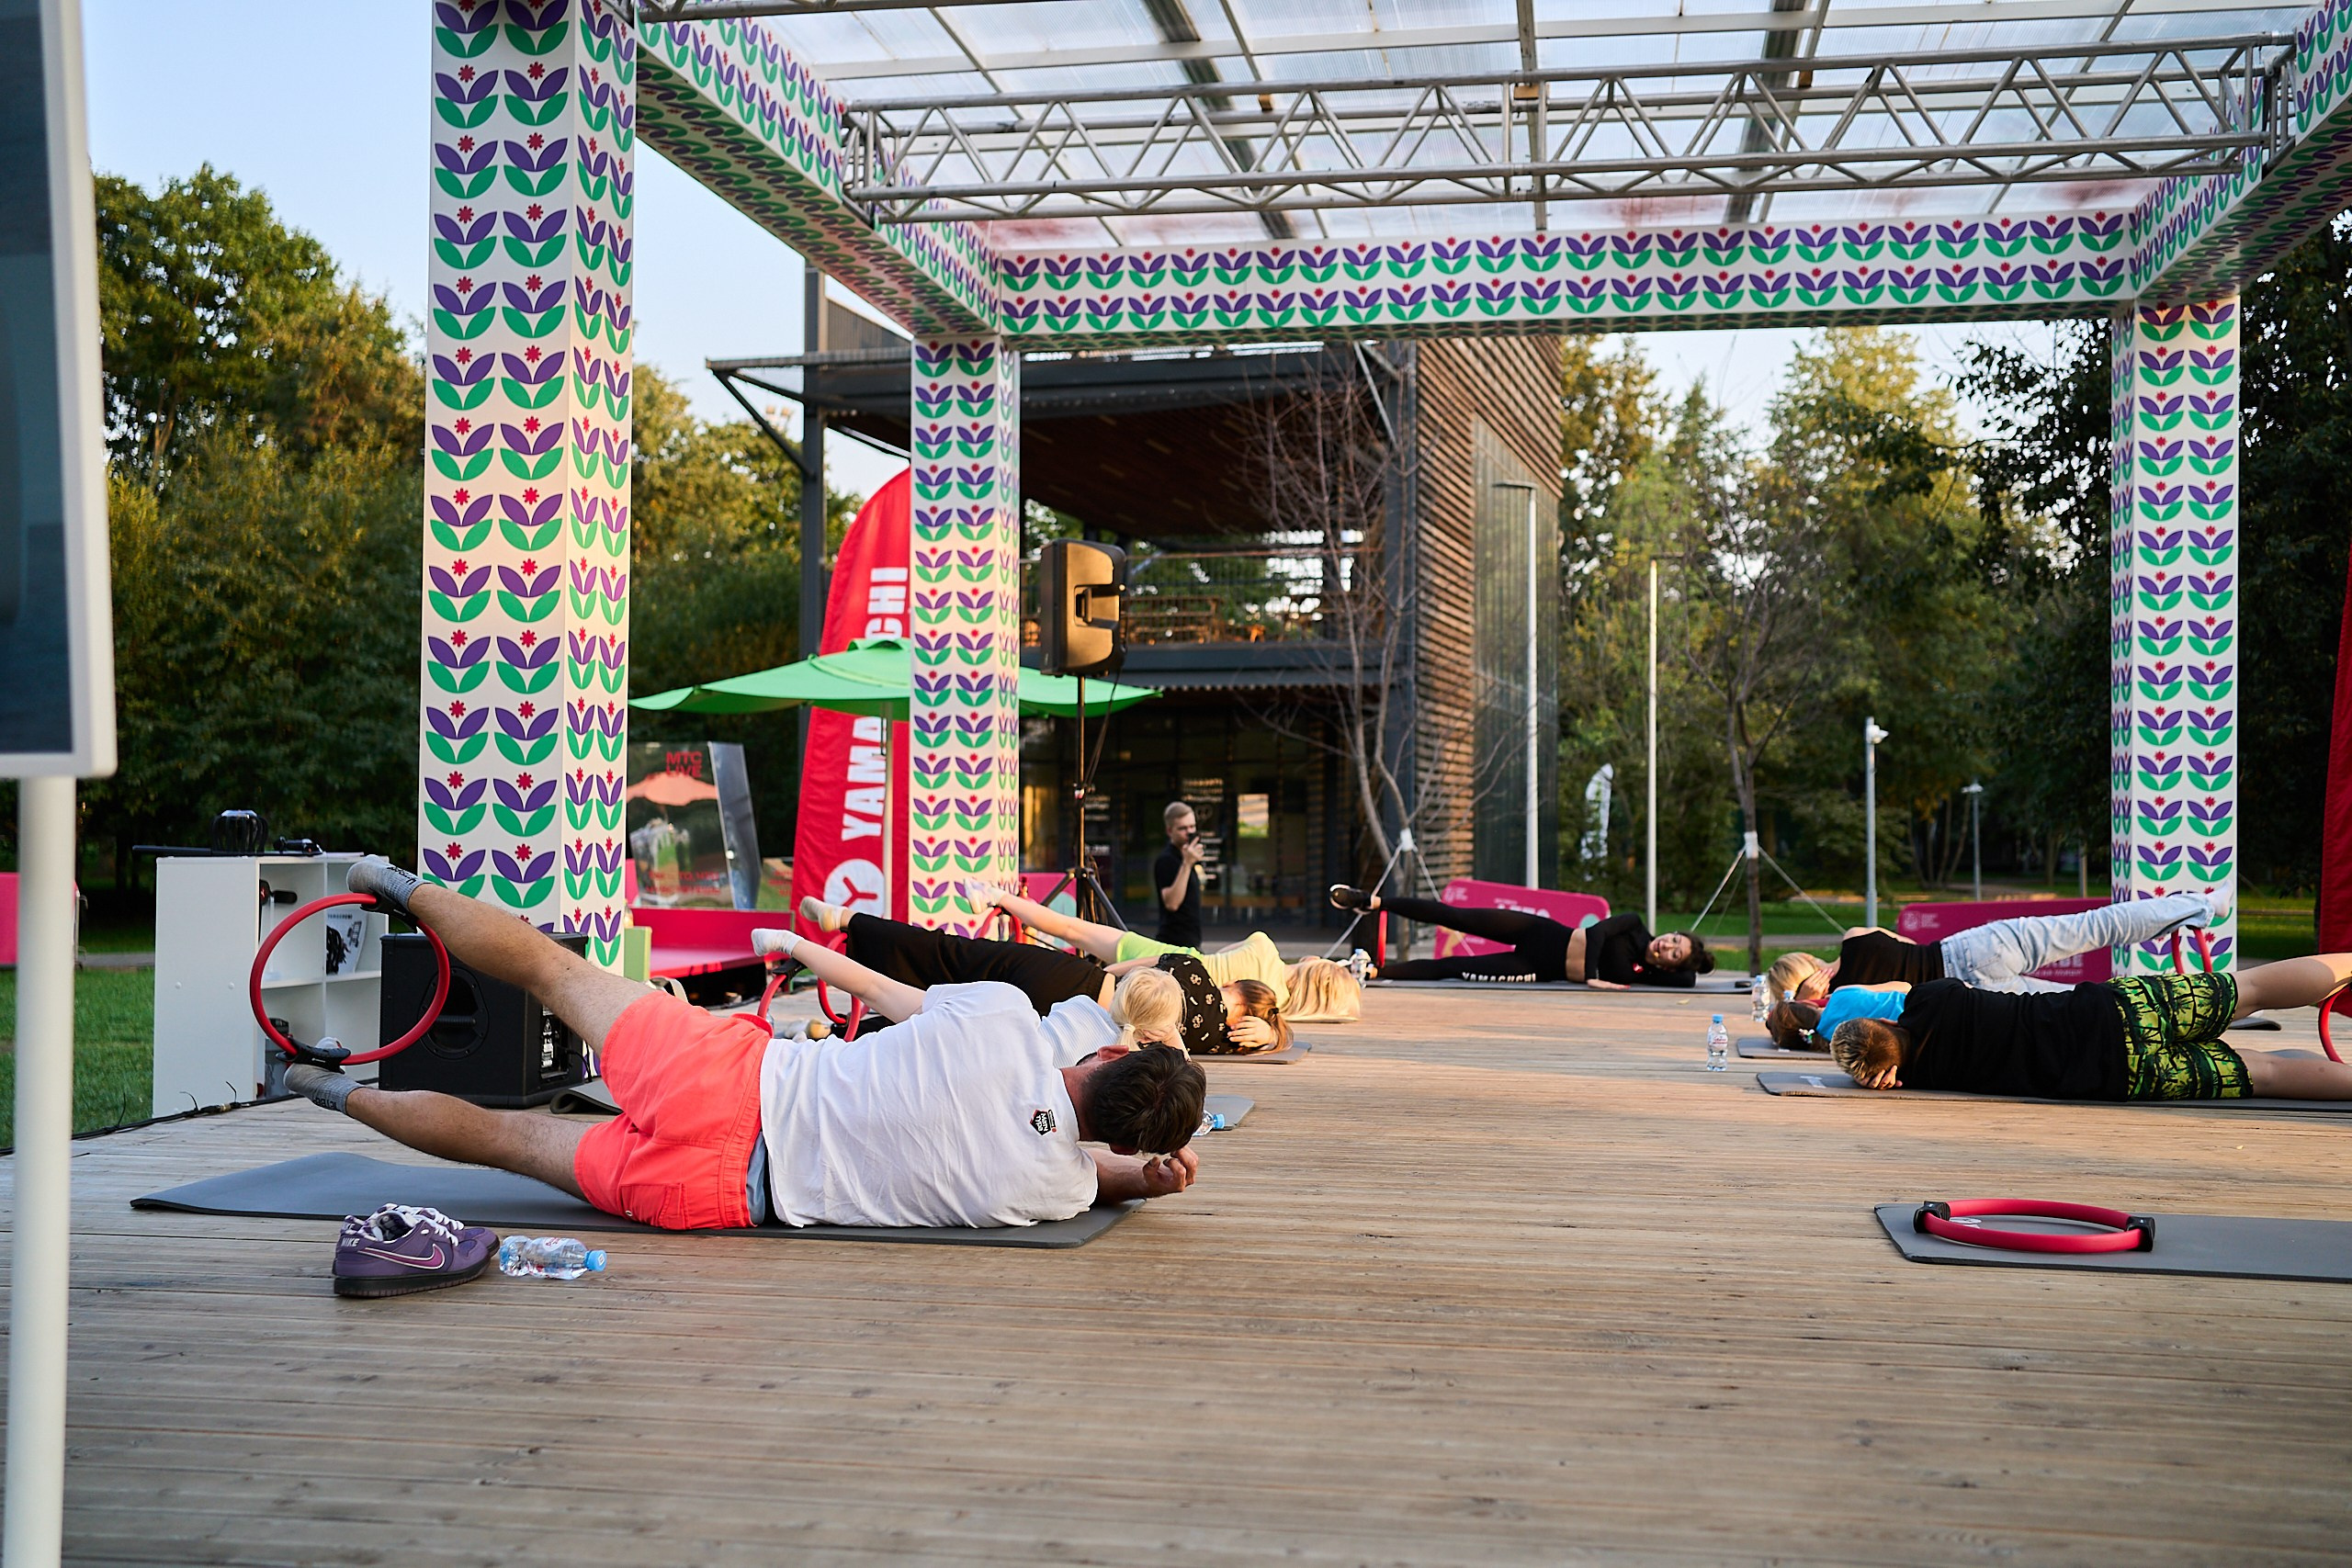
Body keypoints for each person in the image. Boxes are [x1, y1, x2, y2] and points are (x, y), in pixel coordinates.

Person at [279, 858, 1205, 1233]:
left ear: (1108, 1054)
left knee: (548, 968)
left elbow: (889, 995)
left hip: (734, 1075)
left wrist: (805, 943)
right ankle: (316, 1087)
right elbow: (1096, 1174)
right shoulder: (1056, 1190)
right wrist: (1148, 1175)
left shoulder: (1002, 1017)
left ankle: (383, 879)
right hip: (726, 1193)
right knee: (506, 1143)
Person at [1827, 953, 2352, 1102]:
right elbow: (1915, 994)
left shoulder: (1927, 1080)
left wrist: (1891, 1076)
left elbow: (1898, 1066)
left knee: (2267, 1075)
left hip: (2120, 1073)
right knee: (2250, 988)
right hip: (2115, 1010)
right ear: (1883, 1019)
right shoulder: (1931, 1000)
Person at [801, 897, 1279, 1055]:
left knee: (958, 957)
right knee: (961, 1032)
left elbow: (1120, 969)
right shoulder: (1223, 1041)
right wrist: (1272, 1036)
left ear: (1234, 984)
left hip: (1082, 984)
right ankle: (840, 1036)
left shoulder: (1193, 968)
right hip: (1087, 1031)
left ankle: (848, 922)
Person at [1762, 892, 2228, 1047]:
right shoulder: (1854, 938)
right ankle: (2201, 905)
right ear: (1809, 963)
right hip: (1973, 949)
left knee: (2092, 1002)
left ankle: (2192, 1013)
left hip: (1967, 1000)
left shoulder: (1842, 1013)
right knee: (2095, 926)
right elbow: (1910, 947)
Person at [966, 880, 1363, 1023]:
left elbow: (1210, 956)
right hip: (1165, 994)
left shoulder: (1265, 947)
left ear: (1315, 967)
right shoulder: (1275, 1009)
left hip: (1169, 958)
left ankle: (995, 895)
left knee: (1071, 929)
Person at [1329, 886, 1712, 987]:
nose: (1667, 945)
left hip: (1535, 967)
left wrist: (1695, 961)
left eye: (1674, 953)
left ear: (1670, 964)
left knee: (1455, 967)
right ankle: (1372, 901)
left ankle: (1372, 972)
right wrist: (1592, 977)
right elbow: (1596, 934)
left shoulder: (1652, 974)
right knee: (1455, 916)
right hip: (1540, 933)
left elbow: (1689, 980)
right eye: (1674, 939)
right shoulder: (1634, 924)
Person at [1154, 801, 1205, 948]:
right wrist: (1187, 864)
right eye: (1183, 828)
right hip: (1174, 942)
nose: (1189, 832)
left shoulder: (1187, 856)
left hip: (1191, 940)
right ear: (1170, 831)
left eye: (1192, 827)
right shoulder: (1167, 860)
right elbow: (1172, 903)